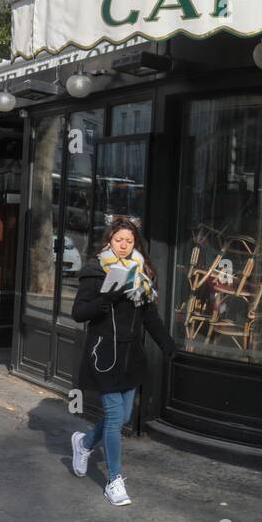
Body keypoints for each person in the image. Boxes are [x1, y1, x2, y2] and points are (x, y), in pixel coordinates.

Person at [69, 217, 176, 506]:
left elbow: (150, 317)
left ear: (135, 243)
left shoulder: (141, 273)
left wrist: (167, 346)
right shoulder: (95, 270)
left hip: (131, 356)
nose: (124, 245)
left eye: (129, 240)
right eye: (119, 240)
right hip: (103, 353)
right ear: (109, 241)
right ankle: (114, 480)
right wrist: (105, 300)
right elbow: (78, 312)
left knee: (125, 416)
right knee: (116, 418)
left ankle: (85, 443)